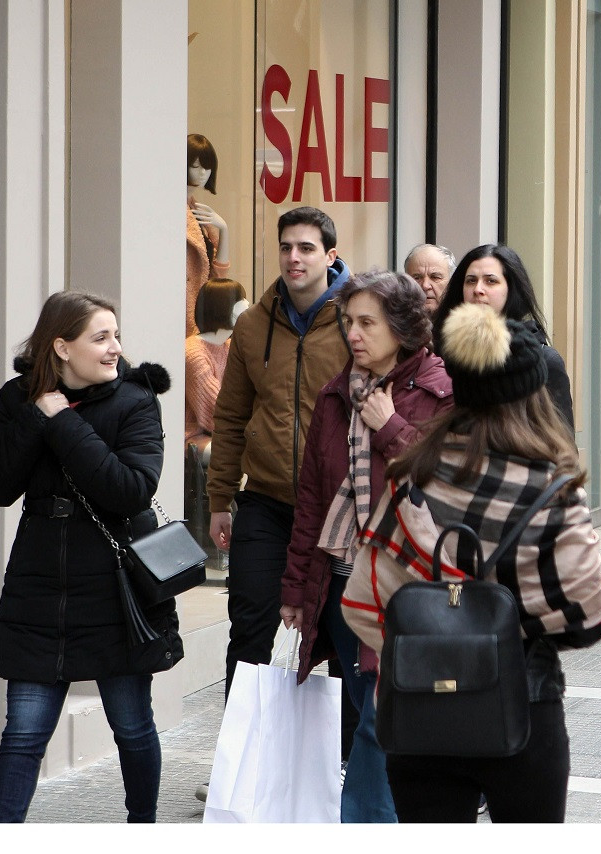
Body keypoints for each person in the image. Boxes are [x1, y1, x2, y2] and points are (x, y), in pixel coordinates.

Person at [343, 302, 601, 822]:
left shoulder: (411, 478)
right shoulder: (552, 492)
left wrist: (437, 641)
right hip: (523, 714)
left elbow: (361, 603)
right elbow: (590, 616)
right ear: (533, 395)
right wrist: (506, 627)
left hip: (420, 716)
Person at [0, 291, 182, 823]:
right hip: (38, 588)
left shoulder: (135, 400)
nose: (115, 349)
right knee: (22, 734)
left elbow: (130, 489)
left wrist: (63, 423)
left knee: (132, 727)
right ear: (61, 347)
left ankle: (142, 826)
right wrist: (37, 417)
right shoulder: (19, 397)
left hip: (117, 592)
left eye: (116, 336)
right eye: (100, 337)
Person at [278, 271, 453, 823]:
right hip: (340, 579)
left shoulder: (439, 390)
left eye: (367, 323)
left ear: (400, 328)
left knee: (382, 714)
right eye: (348, 322)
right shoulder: (336, 395)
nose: (353, 334)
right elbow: (311, 499)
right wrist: (294, 589)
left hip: (407, 580)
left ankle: (365, 823)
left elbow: (447, 483)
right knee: (369, 711)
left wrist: (391, 425)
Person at [207, 206, 350, 695]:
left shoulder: (359, 318)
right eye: (286, 247)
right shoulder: (251, 324)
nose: (294, 258)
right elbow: (230, 416)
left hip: (340, 506)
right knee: (249, 627)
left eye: (307, 248)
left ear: (330, 255)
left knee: (340, 635)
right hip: (265, 503)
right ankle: (240, 764)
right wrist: (220, 499)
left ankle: (346, 764)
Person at [432, 243, 574, 431]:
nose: (478, 289)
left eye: (491, 281)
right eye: (471, 281)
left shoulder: (544, 360)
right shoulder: (442, 354)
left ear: (511, 289)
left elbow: (563, 445)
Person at [185, 278, 248, 457]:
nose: (247, 304)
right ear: (224, 307)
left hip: (225, 433)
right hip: (195, 436)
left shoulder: (229, 347)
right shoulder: (193, 353)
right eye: (240, 300)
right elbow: (215, 410)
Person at [186, 134, 231, 337]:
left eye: (207, 166)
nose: (203, 172)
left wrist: (224, 229)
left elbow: (218, 275)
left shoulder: (198, 212)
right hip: (182, 311)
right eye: (195, 166)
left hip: (199, 312)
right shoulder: (175, 212)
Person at [403, 242, 456, 314]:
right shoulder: (389, 323)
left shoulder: (465, 324)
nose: (425, 286)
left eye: (435, 277)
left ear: (451, 283)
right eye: (417, 278)